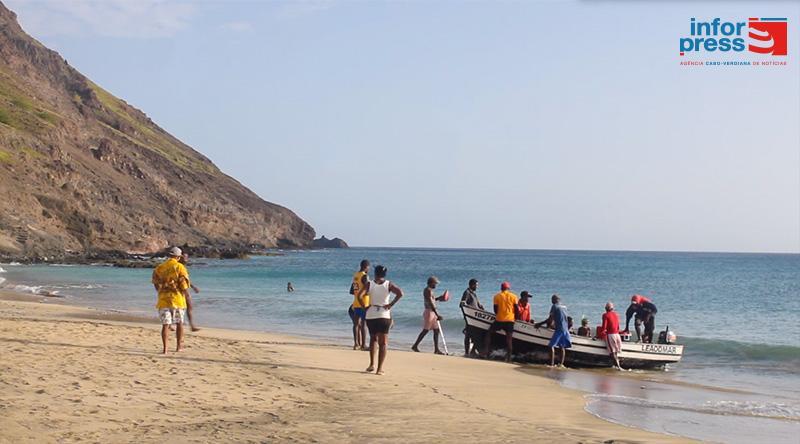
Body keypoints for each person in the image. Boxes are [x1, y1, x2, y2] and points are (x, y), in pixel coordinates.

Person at [359, 265, 403, 375]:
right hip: (384, 314)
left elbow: (360, 296)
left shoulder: (370, 284)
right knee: (383, 343)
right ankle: (379, 369)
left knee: (373, 339)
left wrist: (364, 307)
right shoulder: (389, 284)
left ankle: (371, 364)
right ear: (385, 274)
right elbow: (400, 293)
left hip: (371, 314)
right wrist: (390, 304)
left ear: (375, 273)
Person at [151, 247, 190, 354]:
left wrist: (159, 291)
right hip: (177, 299)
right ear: (178, 257)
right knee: (179, 323)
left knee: (165, 325)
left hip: (163, 299)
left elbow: (155, 281)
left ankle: (165, 349)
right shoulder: (180, 267)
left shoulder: (159, 267)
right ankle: (178, 347)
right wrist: (186, 295)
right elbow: (184, 285)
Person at [481, 282, 519, 362]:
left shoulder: (497, 296)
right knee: (509, 340)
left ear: (501, 288)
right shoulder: (514, 296)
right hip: (510, 321)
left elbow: (495, 310)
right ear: (508, 289)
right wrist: (516, 318)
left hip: (499, 320)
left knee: (489, 333)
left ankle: (485, 351)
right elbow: (516, 309)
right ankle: (509, 358)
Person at [411, 276, 447, 354]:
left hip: (432, 312)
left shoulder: (429, 290)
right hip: (429, 312)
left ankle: (436, 349)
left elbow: (431, 300)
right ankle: (415, 345)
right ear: (431, 283)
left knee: (436, 330)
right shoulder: (428, 290)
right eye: (435, 283)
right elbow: (430, 303)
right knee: (425, 330)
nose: (436, 285)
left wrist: (439, 298)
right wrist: (437, 314)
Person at [535, 294, 572, 367]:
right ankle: (561, 364)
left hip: (559, 330)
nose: (551, 301)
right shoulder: (564, 307)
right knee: (562, 346)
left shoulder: (554, 306)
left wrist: (539, 324)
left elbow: (550, 319)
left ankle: (551, 364)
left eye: (552, 299)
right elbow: (563, 318)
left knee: (551, 346)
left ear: (556, 300)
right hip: (565, 329)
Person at [349, 260, 370, 350]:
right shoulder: (365, 276)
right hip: (363, 303)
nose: (368, 269)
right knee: (363, 324)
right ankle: (363, 345)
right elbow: (367, 289)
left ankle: (356, 344)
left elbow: (351, 291)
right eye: (368, 267)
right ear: (366, 266)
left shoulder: (355, 275)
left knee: (356, 324)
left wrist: (357, 293)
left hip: (355, 303)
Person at [460, 278, 483, 356]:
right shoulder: (467, 293)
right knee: (468, 335)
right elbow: (462, 303)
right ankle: (467, 352)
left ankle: (472, 351)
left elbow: (477, 304)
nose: (477, 287)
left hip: (476, 319)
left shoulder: (473, 293)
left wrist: (480, 307)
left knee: (476, 335)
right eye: (476, 285)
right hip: (471, 318)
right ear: (472, 285)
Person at [178, 253, 201, 332]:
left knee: (189, 307)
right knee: (185, 307)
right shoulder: (178, 267)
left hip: (184, 289)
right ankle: (191, 326)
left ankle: (191, 325)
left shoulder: (183, 267)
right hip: (181, 290)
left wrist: (193, 287)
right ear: (180, 257)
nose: (186, 259)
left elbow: (186, 279)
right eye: (185, 257)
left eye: (187, 257)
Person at [601, 302, 624, 369]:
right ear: (612, 308)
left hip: (611, 335)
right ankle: (615, 365)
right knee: (615, 352)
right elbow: (618, 327)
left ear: (606, 308)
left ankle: (619, 367)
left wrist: (599, 335)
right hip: (617, 335)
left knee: (612, 352)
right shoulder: (616, 314)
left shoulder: (605, 315)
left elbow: (604, 327)